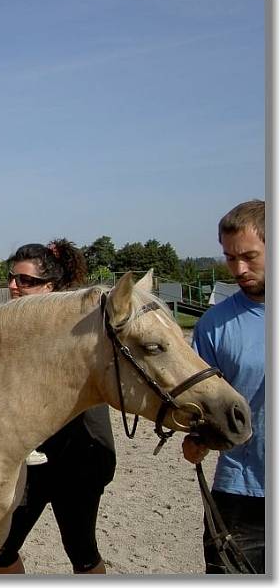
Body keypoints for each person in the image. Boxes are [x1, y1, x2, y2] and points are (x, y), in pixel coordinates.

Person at [0, 239, 116, 575]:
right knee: (0, 550)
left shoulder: (75, 330)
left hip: (80, 456)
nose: (14, 286)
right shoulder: (12, 329)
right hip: (32, 459)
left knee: (82, 550)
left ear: (50, 287)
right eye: (12, 278)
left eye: (26, 281)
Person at [181, 199, 265, 574]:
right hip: (240, 492)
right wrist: (196, 436)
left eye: (249, 256)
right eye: (230, 258)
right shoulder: (214, 324)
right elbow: (196, 402)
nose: (239, 269)